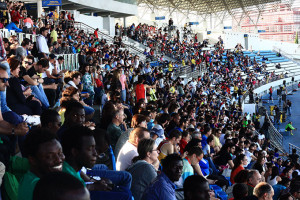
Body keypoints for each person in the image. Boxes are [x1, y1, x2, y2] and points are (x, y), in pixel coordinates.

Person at [18, 128, 65, 200]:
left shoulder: (30, 178)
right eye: (49, 156)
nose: (58, 160)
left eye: (60, 153)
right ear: (32, 160)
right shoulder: (42, 189)